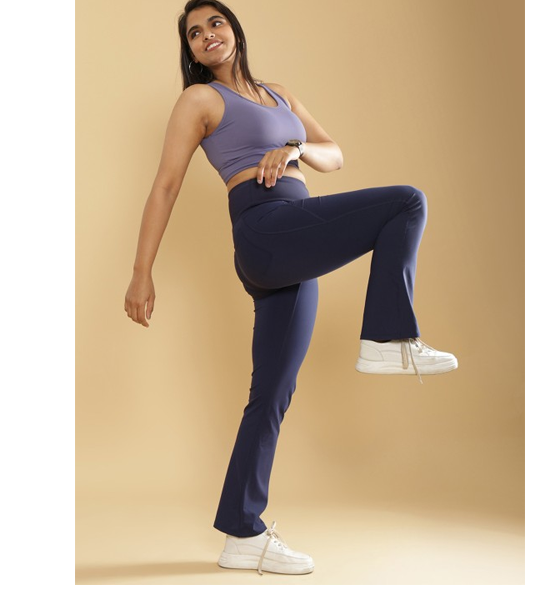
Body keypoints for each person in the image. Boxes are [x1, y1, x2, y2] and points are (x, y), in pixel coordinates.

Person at [124, 0, 458, 576]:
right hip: (265, 229)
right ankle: (386, 339)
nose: (207, 35)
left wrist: (294, 148)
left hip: (293, 245)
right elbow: (166, 185)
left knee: (273, 393)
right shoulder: (200, 99)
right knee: (405, 202)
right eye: (195, 33)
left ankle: (241, 533)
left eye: (215, 23)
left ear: (234, 28)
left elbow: (334, 154)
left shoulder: (278, 94)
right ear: (190, 49)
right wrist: (141, 271)